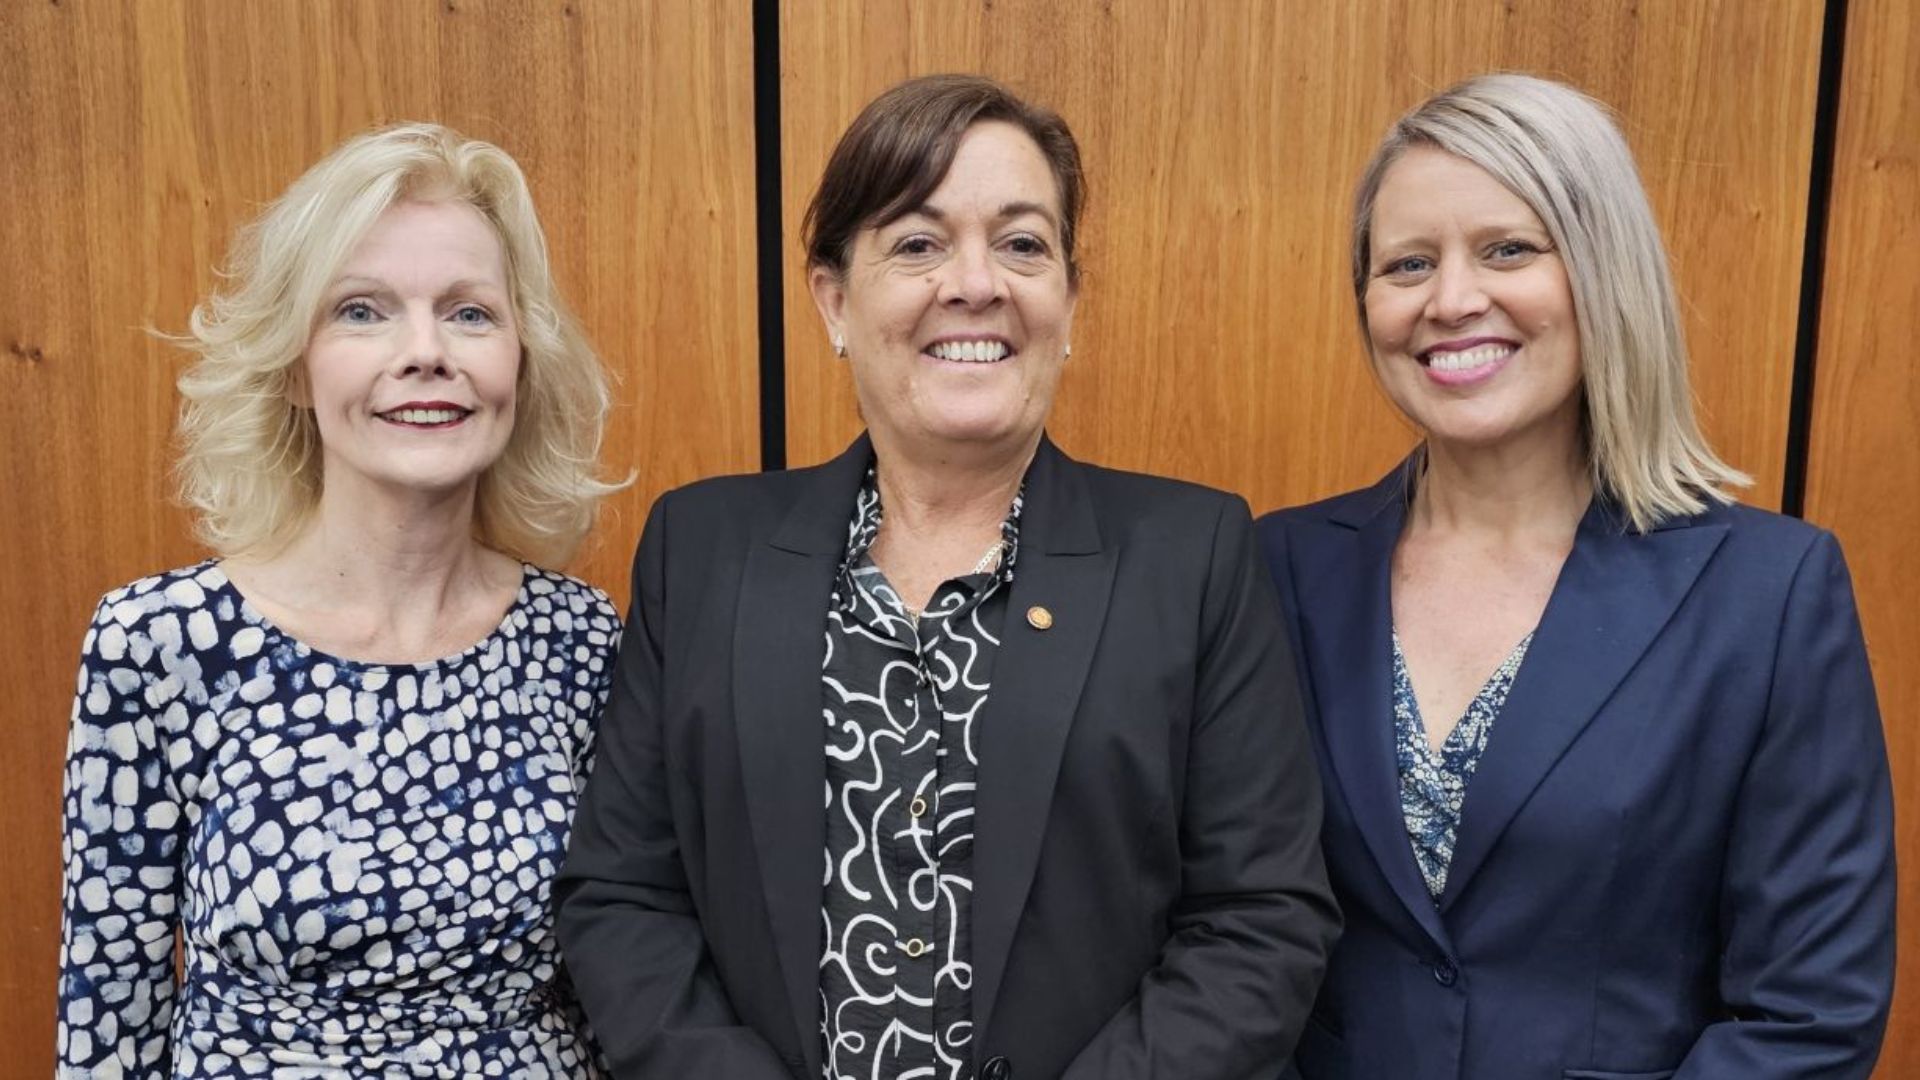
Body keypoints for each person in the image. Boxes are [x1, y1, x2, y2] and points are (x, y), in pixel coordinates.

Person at [558, 74, 1338, 1080]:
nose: (976, 283)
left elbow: (1261, 920)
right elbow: (624, 895)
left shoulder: (1193, 556)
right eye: (918, 244)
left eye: (1021, 244)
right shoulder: (704, 551)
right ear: (834, 301)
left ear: (1069, 301)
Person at [1258, 74, 1895, 1079]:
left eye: (1508, 249)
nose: (1453, 299)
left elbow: (1809, 1013)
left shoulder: (1768, 593)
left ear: (1603, 272)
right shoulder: (1274, 569)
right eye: (1408, 263)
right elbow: (1222, 929)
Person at [56, 123, 626, 1076]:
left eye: (470, 313)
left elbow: (618, 981)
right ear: (293, 366)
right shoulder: (158, 644)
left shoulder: (581, 642)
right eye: (362, 311)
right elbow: (109, 1015)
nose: (425, 352)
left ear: (521, 360)